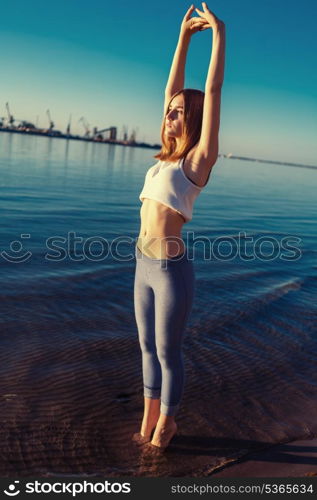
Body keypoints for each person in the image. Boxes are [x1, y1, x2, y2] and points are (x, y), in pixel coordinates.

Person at [133, 2, 226, 450]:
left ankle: (167, 422)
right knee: (147, 350)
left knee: (169, 353)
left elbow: (212, 89)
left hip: (171, 274)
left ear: (191, 117)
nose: (168, 115)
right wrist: (183, 38)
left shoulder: (196, 161)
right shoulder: (164, 157)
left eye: (176, 112)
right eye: (167, 111)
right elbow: (172, 88)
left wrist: (217, 36)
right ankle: (149, 414)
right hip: (141, 267)